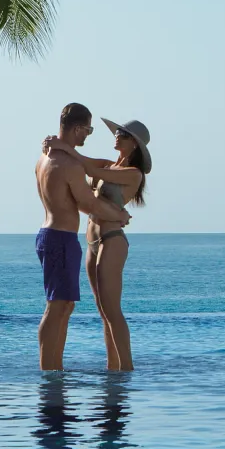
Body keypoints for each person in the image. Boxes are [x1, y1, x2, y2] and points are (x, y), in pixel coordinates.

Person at [34, 103, 131, 370]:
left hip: (50, 235)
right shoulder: (67, 164)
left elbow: (70, 198)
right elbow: (88, 203)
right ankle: (49, 370)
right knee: (56, 306)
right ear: (77, 128)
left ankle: (55, 368)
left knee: (64, 306)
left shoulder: (45, 159)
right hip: (60, 239)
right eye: (87, 129)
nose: (88, 134)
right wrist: (118, 215)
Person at [76, 118, 150, 371]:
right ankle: (112, 369)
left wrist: (63, 147)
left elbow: (90, 170)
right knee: (102, 310)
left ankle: (126, 369)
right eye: (118, 132)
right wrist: (58, 146)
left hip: (112, 240)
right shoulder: (110, 165)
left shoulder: (133, 174)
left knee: (112, 309)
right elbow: (81, 166)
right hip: (91, 241)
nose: (117, 136)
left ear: (135, 146)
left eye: (124, 135)